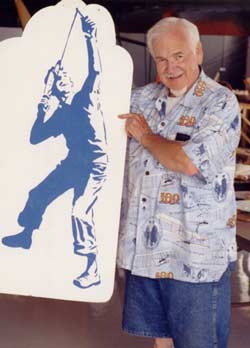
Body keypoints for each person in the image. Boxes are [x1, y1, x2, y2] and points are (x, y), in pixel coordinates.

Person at [117, 17, 240, 348]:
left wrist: (144, 136)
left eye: (179, 56)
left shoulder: (220, 103)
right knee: (161, 342)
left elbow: (186, 161)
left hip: (196, 259)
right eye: (162, 59)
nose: (170, 67)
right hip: (144, 251)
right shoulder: (139, 100)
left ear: (198, 52)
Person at [2, 15, 108, 290]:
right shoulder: (60, 114)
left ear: (71, 84)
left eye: (63, 76)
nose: (61, 78)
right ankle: (26, 235)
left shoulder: (86, 96)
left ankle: (93, 268)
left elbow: (95, 70)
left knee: (80, 212)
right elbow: (35, 137)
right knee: (38, 194)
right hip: (74, 163)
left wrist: (90, 37)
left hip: (95, 164)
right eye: (56, 78)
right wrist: (42, 104)